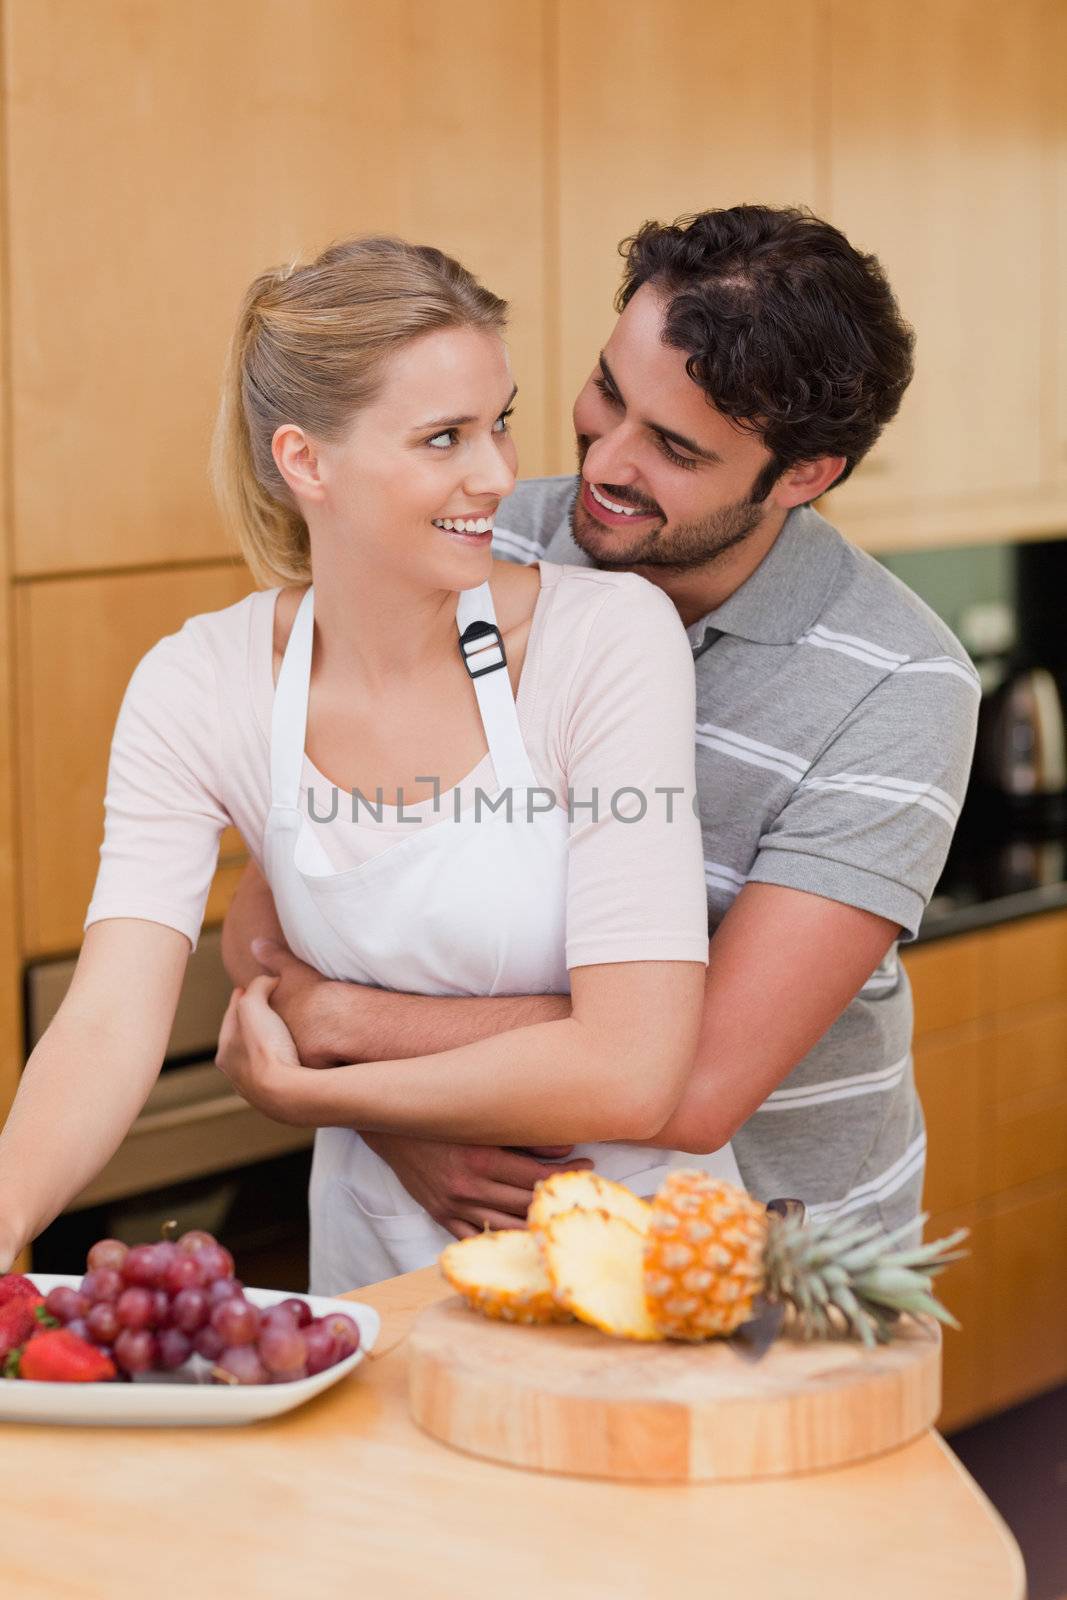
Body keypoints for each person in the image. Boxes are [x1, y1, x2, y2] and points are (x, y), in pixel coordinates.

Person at [222, 206, 980, 1248]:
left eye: (672, 446)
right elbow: (281, 914)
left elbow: (692, 1076)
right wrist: (402, 1126)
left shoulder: (898, 684)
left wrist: (343, 1025)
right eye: (606, 394)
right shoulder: (485, 532)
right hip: (476, 1251)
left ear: (803, 477)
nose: (605, 463)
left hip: (763, 1267)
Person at [0, 235, 745, 1293]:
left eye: (498, 421)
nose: (496, 473)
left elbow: (629, 1069)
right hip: (378, 1274)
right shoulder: (199, 684)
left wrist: (325, 1091)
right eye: (443, 437)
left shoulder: (604, 640)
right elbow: (110, 1016)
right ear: (305, 461)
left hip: (638, 1265)